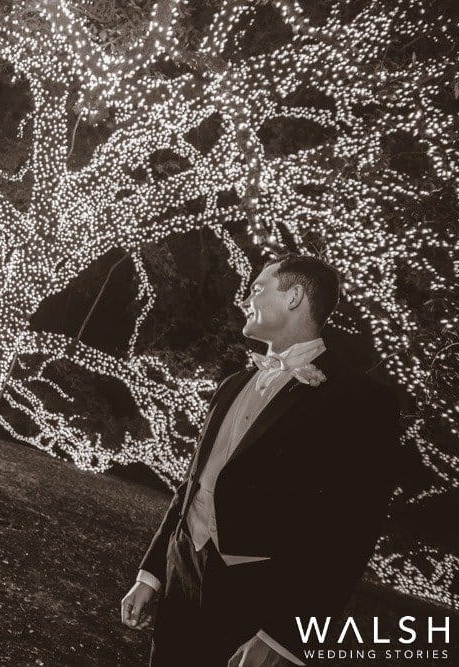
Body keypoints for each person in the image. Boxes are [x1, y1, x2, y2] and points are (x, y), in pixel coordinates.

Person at [120, 253, 400, 666]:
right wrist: (152, 573)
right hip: (183, 569)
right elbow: (195, 484)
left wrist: (286, 636)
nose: (243, 300)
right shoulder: (234, 384)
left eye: (257, 289)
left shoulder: (360, 400)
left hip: (259, 598)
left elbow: (350, 529)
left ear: (294, 297)